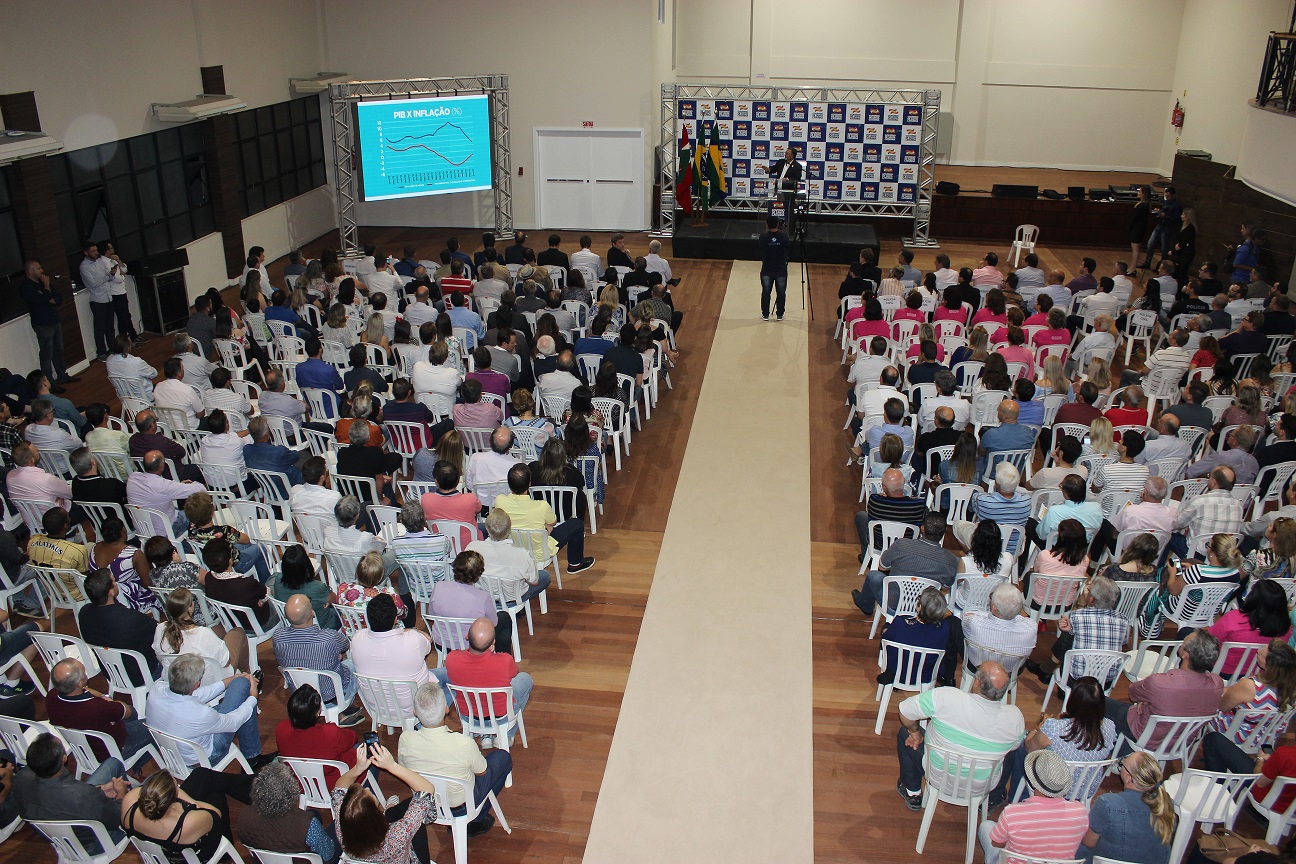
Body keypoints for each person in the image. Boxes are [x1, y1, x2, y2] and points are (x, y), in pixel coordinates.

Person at [894, 662, 1025, 811]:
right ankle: (992, 800)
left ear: (976, 682)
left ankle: (913, 793)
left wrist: (915, 732)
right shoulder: (1015, 718)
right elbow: (1015, 746)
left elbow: (904, 712)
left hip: (937, 777)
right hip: (981, 786)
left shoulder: (946, 696)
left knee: (905, 733)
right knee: (1010, 749)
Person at [398, 682, 511, 837]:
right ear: (446, 709)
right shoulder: (463, 743)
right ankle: (475, 820)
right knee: (502, 758)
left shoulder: (405, 739)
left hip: (426, 803)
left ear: (415, 712)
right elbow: (482, 771)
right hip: (460, 807)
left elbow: (404, 769)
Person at [991, 676, 1118, 808]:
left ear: (1073, 701)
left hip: (1053, 785)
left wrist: (1038, 727)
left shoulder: (1055, 727)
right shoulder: (1110, 727)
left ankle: (1018, 800)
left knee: (1022, 746)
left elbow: (1030, 747)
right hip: (1085, 789)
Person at [1103, 630, 1224, 752]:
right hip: (1181, 743)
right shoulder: (1217, 684)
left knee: (1098, 700)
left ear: (1186, 655)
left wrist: (1144, 699)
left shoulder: (1159, 683)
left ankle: (1115, 750)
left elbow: (1133, 692)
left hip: (1145, 737)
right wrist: (1147, 699)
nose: (1182, 642)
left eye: (1184, 642)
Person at [145, 653, 271, 768]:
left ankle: (252, 757)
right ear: (197, 684)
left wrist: (228, 681)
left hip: (172, 754)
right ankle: (252, 758)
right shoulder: (201, 713)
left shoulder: (156, 689)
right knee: (242, 686)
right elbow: (233, 723)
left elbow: (195, 696)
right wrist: (253, 697)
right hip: (204, 758)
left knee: (240, 695)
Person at [12, 732, 128, 853]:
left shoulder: (21, 778)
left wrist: (98, 789)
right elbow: (119, 818)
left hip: (59, 840)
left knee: (112, 764)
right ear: (64, 758)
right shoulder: (83, 795)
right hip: (94, 844)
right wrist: (121, 793)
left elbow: (67, 797)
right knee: (120, 774)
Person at [120, 768, 253, 864]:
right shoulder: (186, 823)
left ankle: (255, 787)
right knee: (216, 797)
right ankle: (224, 855)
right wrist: (193, 803)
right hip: (189, 855)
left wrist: (183, 798)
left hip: (159, 845)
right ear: (173, 799)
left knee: (201, 774)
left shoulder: (129, 801)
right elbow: (216, 815)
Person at [331, 743, 437, 864]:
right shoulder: (397, 835)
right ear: (376, 815)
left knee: (404, 808)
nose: (367, 789)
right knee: (412, 808)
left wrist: (358, 768)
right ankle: (393, 810)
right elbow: (427, 790)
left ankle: (391, 810)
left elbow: (338, 789)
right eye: (371, 795)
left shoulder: (342, 828)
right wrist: (392, 766)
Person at [979, 749, 1089, 864]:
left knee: (986, 826)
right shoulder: (1080, 811)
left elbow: (996, 843)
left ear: (1032, 781)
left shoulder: (1013, 813)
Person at [1203, 639, 1296, 774]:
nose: (1258, 651)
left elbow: (1223, 706)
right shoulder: (1291, 688)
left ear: (1269, 664)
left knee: (1206, 702)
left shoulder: (1250, 686)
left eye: (1262, 654)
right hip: (1267, 734)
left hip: (1238, 732)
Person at [273, 593, 365, 727]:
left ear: (285, 616)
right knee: (353, 663)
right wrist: (337, 656)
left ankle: (338, 712)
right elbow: (345, 645)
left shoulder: (278, 637)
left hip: (300, 690)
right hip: (331, 692)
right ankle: (343, 707)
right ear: (312, 613)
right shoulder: (329, 637)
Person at [46, 657, 155, 763]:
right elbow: (128, 712)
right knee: (158, 727)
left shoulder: (51, 697)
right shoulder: (97, 708)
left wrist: (103, 698)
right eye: (84, 674)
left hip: (86, 751)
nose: (86, 675)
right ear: (79, 683)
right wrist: (108, 701)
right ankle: (137, 765)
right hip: (114, 749)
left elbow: (85, 690)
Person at [444, 617, 534, 744]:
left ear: (467, 637)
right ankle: (506, 736)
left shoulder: (451, 659)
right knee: (526, 679)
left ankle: (484, 736)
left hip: (468, 716)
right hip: (500, 718)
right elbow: (514, 674)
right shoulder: (505, 661)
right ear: (493, 644)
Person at [494, 463, 595, 575]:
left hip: (512, 547)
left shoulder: (499, 501)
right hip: (540, 552)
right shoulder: (541, 506)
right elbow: (553, 522)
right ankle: (575, 564)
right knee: (576, 524)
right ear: (529, 483)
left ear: (509, 483)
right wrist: (546, 528)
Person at [1076, 751, 1175, 863]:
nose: (1121, 766)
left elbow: (1088, 842)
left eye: (1123, 765)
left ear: (1129, 778)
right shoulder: (1166, 803)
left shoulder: (1107, 804)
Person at [854, 512, 958, 616]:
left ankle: (865, 605)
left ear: (922, 528)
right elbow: (945, 587)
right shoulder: (951, 560)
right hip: (926, 610)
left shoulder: (901, 544)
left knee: (873, 575)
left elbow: (882, 566)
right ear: (943, 533)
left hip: (892, 604)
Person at [236, 759, 339, 862]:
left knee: (315, 814)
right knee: (339, 824)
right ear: (292, 792)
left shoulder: (244, 816)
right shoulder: (307, 825)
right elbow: (327, 854)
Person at [350, 593, 432, 716]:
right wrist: (408, 630)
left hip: (376, 706)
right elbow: (427, 639)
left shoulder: (357, 639)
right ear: (395, 619)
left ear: (368, 618)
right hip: (414, 706)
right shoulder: (413, 640)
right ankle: (428, 719)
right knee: (446, 676)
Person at [79, 570, 162, 685]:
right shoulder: (131, 619)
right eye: (114, 581)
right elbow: (158, 631)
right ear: (111, 592)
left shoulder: (84, 613)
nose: (116, 583)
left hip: (111, 673)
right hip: (142, 674)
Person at [1208, 581, 1292, 675]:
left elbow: (1209, 640)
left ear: (1253, 598)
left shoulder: (1233, 618)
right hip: (1259, 674)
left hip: (1222, 671)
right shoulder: (1287, 629)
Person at [19, 260, 75, 389]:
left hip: (54, 320)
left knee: (58, 350)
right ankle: (49, 383)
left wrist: (48, 290)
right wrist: (47, 289)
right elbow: (43, 300)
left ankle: (62, 376)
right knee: (47, 354)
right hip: (42, 324)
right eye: (38, 268)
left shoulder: (43, 283)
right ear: (30, 271)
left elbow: (58, 299)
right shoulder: (26, 287)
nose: (42, 270)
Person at [877, 587, 950, 685]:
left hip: (897, 672)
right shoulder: (944, 628)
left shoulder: (900, 623)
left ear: (919, 607)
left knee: (886, 629)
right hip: (926, 675)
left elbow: (886, 640)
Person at [272, 543, 339, 630]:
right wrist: (326, 594)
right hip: (323, 627)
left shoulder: (277, 580)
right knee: (340, 613)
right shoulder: (317, 587)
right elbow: (334, 599)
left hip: (291, 624)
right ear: (306, 565)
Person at [758, 215, 790, 321]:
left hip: (767, 269)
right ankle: (780, 314)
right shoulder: (784, 237)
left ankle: (765, 314)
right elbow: (787, 247)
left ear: (767, 225)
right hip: (781, 269)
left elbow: (761, 247)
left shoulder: (763, 237)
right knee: (781, 292)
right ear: (778, 224)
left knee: (766, 291)